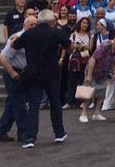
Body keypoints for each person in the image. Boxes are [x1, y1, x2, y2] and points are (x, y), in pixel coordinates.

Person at [12, 9, 71, 148]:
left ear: (38, 20)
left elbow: (14, 45)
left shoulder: (29, 33)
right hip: (51, 72)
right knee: (55, 103)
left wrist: (15, 39)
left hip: (34, 72)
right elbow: (68, 45)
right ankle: (59, 133)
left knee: (34, 105)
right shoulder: (55, 32)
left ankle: (30, 137)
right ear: (51, 21)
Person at [0, 15, 37, 143]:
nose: (33, 27)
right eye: (31, 25)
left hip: (24, 73)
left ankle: (0, 132)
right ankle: (23, 133)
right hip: (14, 72)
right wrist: (12, 73)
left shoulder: (33, 38)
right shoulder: (17, 38)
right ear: (24, 25)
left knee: (12, 103)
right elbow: (2, 57)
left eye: (35, 25)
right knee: (19, 104)